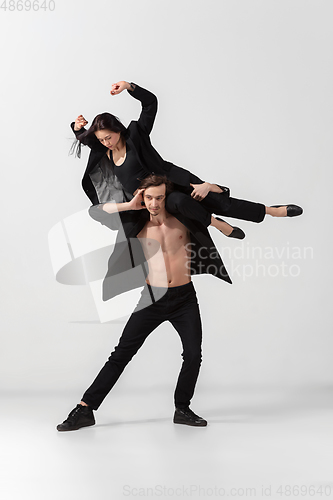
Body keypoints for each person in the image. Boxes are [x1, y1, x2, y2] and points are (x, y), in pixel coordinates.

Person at [57, 175, 211, 431]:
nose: (153, 203)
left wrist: (210, 186)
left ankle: (182, 408)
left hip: (185, 298)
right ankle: (85, 409)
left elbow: (221, 202)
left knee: (193, 354)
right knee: (121, 354)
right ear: (142, 197)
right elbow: (95, 212)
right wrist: (130, 205)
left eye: (159, 198)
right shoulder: (134, 222)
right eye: (149, 198)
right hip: (152, 297)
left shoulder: (184, 219)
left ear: (167, 197)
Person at [70, 81, 303, 242]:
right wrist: (76, 128)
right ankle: (217, 225)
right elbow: (84, 138)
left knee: (221, 202)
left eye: (108, 137)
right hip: (154, 199)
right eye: (101, 140)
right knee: (180, 204)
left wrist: (129, 86)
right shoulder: (104, 153)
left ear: (118, 130)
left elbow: (150, 103)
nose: (106, 143)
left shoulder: (136, 134)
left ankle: (273, 211)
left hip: (173, 179)